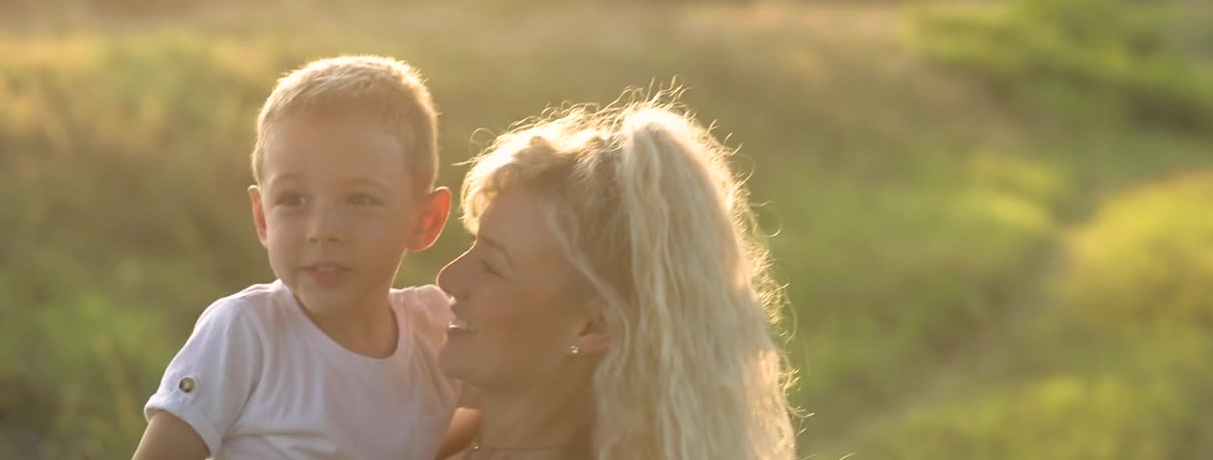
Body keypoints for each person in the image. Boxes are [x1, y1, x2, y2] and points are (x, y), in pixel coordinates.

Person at [435, 92, 797, 460]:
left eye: (491, 267)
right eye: (473, 246)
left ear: (593, 326)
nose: (448, 278)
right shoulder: (420, 430)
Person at [133, 56, 459, 460]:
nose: (321, 229)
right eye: (293, 199)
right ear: (261, 216)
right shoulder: (247, 332)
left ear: (425, 220)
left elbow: (533, 402)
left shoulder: (436, 333)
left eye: (360, 200)